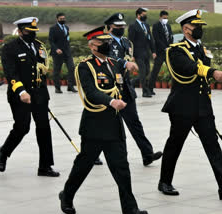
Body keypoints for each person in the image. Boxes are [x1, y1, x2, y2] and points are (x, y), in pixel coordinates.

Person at [59, 27, 148, 214]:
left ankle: (130, 208)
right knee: (83, 166)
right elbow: (90, 92)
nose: (108, 45)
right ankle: (67, 195)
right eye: (103, 43)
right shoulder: (85, 67)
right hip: (95, 125)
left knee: (122, 168)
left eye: (108, 42)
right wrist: (111, 100)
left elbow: (121, 81)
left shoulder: (114, 63)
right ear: (92, 46)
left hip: (114, 124)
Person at [158, 10, 222, 200]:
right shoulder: (176, 49)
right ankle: (165, 181)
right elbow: (187, 68)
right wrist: (211, 71)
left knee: (212, 145)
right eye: (196, 26)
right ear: (186, 28)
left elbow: (201, 74)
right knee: (175, 144)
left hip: (203, 106)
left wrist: (211, 75)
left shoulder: (201, 48)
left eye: (200, 26)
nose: (199, 29)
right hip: (182, 106)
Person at [0, 17, 59, 177]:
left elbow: (42, 69)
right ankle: (3, 153)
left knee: (44, 128)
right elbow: (10, 72)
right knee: (22, 127)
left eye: (33, 32)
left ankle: (45, 166)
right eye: (28, 32)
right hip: (20, 95)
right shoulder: (10, 48)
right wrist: (21, 91)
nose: (31, 34)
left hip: (39, 94)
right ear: (19, 32)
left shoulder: (39, 46)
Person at [105, 13, 162, 166]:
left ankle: (147, 154)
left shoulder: (126, 42)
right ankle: (92, 154)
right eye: (117, 26)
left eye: (122, 26)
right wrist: (124, 63)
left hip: (125, 88)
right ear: (110, 27)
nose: (121, 28)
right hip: (109, 90)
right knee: (103, 125)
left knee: (135, 123)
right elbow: (108, 59)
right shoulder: (105, 42)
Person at [128, 8, 156, 97]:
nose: (145, 16)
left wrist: (153, 51)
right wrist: (131, 54)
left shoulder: (146, 25)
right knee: (143, 71)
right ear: (138, 15)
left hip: (146, 52)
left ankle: (133, 82)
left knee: (147, 71)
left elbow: (150, 39)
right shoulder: (133, 26)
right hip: (138, 53)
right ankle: (145, 91)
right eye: (143, 14)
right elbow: (130, 41)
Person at [49, 12, 77, 94]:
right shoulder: (53, 28)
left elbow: (67, 39)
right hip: (57, 53)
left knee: (72, 68)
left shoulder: (67, 28)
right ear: (57, 19)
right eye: (61, 19)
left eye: (64, 18)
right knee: (57, 71)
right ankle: (57, 88)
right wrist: (56, 49)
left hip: (67, 52)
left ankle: (70, 86)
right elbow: (51, 40)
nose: (63, 20)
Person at [149, 10, 173, 95]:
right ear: (160, 17)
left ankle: (175, 88)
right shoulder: (156, 26)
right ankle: (150, 89)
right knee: (155, 71)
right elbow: (157, 39)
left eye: (166, 18)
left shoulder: (168, 26)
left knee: (172, 70)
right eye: (164, 18)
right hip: (160, 52)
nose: (165, 19)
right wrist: (164, 47)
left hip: (168, 52)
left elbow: (171, 36)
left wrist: (170, 46)